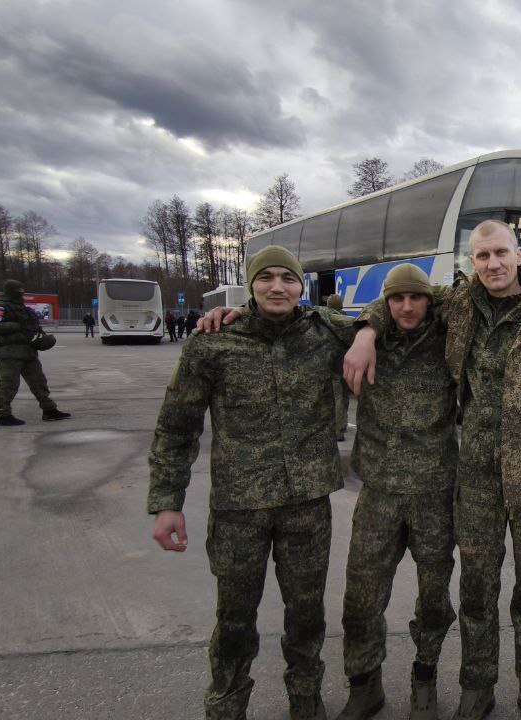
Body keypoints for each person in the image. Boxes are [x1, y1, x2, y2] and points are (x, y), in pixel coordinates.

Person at [345, 219, 521, 720]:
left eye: (500, 253)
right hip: (478, 479)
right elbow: (403, 296)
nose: (492, 264)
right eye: (482, 256)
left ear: (519, 254)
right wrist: (366, 332)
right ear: (472, 261)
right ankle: (477, 686)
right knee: (477, 591)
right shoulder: (459, 304)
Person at [147, 245, 352, 720]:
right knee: (235, 617)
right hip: (240, 508)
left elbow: (388, 319)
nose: (277, 287)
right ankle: (226, 703)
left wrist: (348, 329)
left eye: (288, 278)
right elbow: (176, 427)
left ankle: (306, 698)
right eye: (266, 278)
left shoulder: (324, 334)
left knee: (307, 614)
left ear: (301, 286)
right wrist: (166, 502)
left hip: (306, 505)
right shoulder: (212, 342)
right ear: (250, 285)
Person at [337, 265, 459, 720]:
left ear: (429, 299)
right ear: (385, 303)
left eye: (417, 298)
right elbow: (311, 317)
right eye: (396, 299)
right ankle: (364, 683)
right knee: (362, 597)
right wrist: (367, 331)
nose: (407, 307)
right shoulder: (367, 339)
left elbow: (459, 294)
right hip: (380, 494)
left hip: (434, 492)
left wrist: (370, 324)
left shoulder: (448, 337)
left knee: (434, 599)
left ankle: (424, 678)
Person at [0, 279, 71, 426]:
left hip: (28, 350)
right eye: (17, 293)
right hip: (11, 352)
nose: (20, 295)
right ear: (10, 292)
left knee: (39, 382)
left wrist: (36, 331)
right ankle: (3, 415)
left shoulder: (22, 307)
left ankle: (49, 410)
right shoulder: (0, 306)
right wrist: (18, 326)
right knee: (9, 384)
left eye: (21, 292)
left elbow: (31, 325)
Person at [326, 294, 351, 442]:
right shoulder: (347, 319)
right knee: (344, 395)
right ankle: (343, 424)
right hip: (346, 364)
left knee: (337, 398)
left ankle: (338, 430)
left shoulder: (329, 320)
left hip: (334, 365)